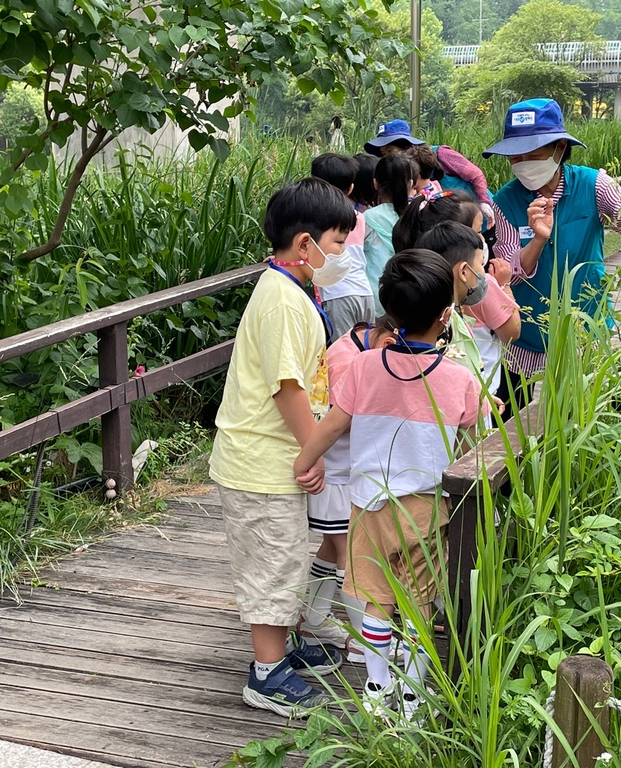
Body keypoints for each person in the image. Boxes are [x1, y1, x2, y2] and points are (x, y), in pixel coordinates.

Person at [294, 250, 488, 720]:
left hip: (368, 506)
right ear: (446, 315)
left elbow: (335, 424)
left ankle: (378, 689)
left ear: (390, 313)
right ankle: (413, 695)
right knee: (421, 608)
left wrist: (305, 460)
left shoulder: (363, 367)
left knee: (376, 600)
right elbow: (478, 431)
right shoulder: (458, 377)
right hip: (425, 508)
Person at [207, 178, 354, 718]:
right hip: (261, 462)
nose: (342, 255)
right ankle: (265, 674)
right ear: (305, 245)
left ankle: (281, 652)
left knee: (286, 556)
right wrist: (310, 451)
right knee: (272, 564)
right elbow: (287, 387)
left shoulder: (287, 289)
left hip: (267, 459)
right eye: (337, 244)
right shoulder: (284, 302)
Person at [485, 98, 621, 410]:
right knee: (514, 413)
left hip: (586, 321)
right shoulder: (505, 202)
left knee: (588, 407)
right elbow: (510, 270)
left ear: (560, 148)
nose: (523, 162)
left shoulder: (594, 185)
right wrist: (539, 238)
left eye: (534, 154)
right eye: (516, 157)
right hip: (526, 330)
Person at [299, 315, 397, 660]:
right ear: (389, 342)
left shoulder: (357, 342)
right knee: (353, 555)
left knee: (332, 545)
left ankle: (312, 619)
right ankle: (365, 640)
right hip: (334, 472)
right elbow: (334, 421)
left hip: (341, 470)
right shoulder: (347, 359)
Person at [417, 222, 521, 404]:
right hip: (466, 414)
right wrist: (504, 285)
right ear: (464, 271)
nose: (483, 272)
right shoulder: (449, 322)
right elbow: (513, 331)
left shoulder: (432, 312)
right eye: (481, 264)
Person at [364, 119, 495, 228]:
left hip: (485, 216)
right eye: (383, 154)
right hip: (456, 223)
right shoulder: (400, 173)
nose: (387, 157)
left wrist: (484, 202)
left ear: (405, 145)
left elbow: (476, 174)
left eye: (390, 150)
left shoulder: (439, 154)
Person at [311, 154, 375, 341]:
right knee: (364, 352)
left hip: (338, 295)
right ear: (350, 189)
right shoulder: (359, 218)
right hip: (365, 292)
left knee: (342, 353)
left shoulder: (318, 221)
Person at [363, 154, 417, 315]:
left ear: (375, 183)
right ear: (411, 184)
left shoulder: (367, 218)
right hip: (410, 297)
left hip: (376, 298)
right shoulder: (415, 216)